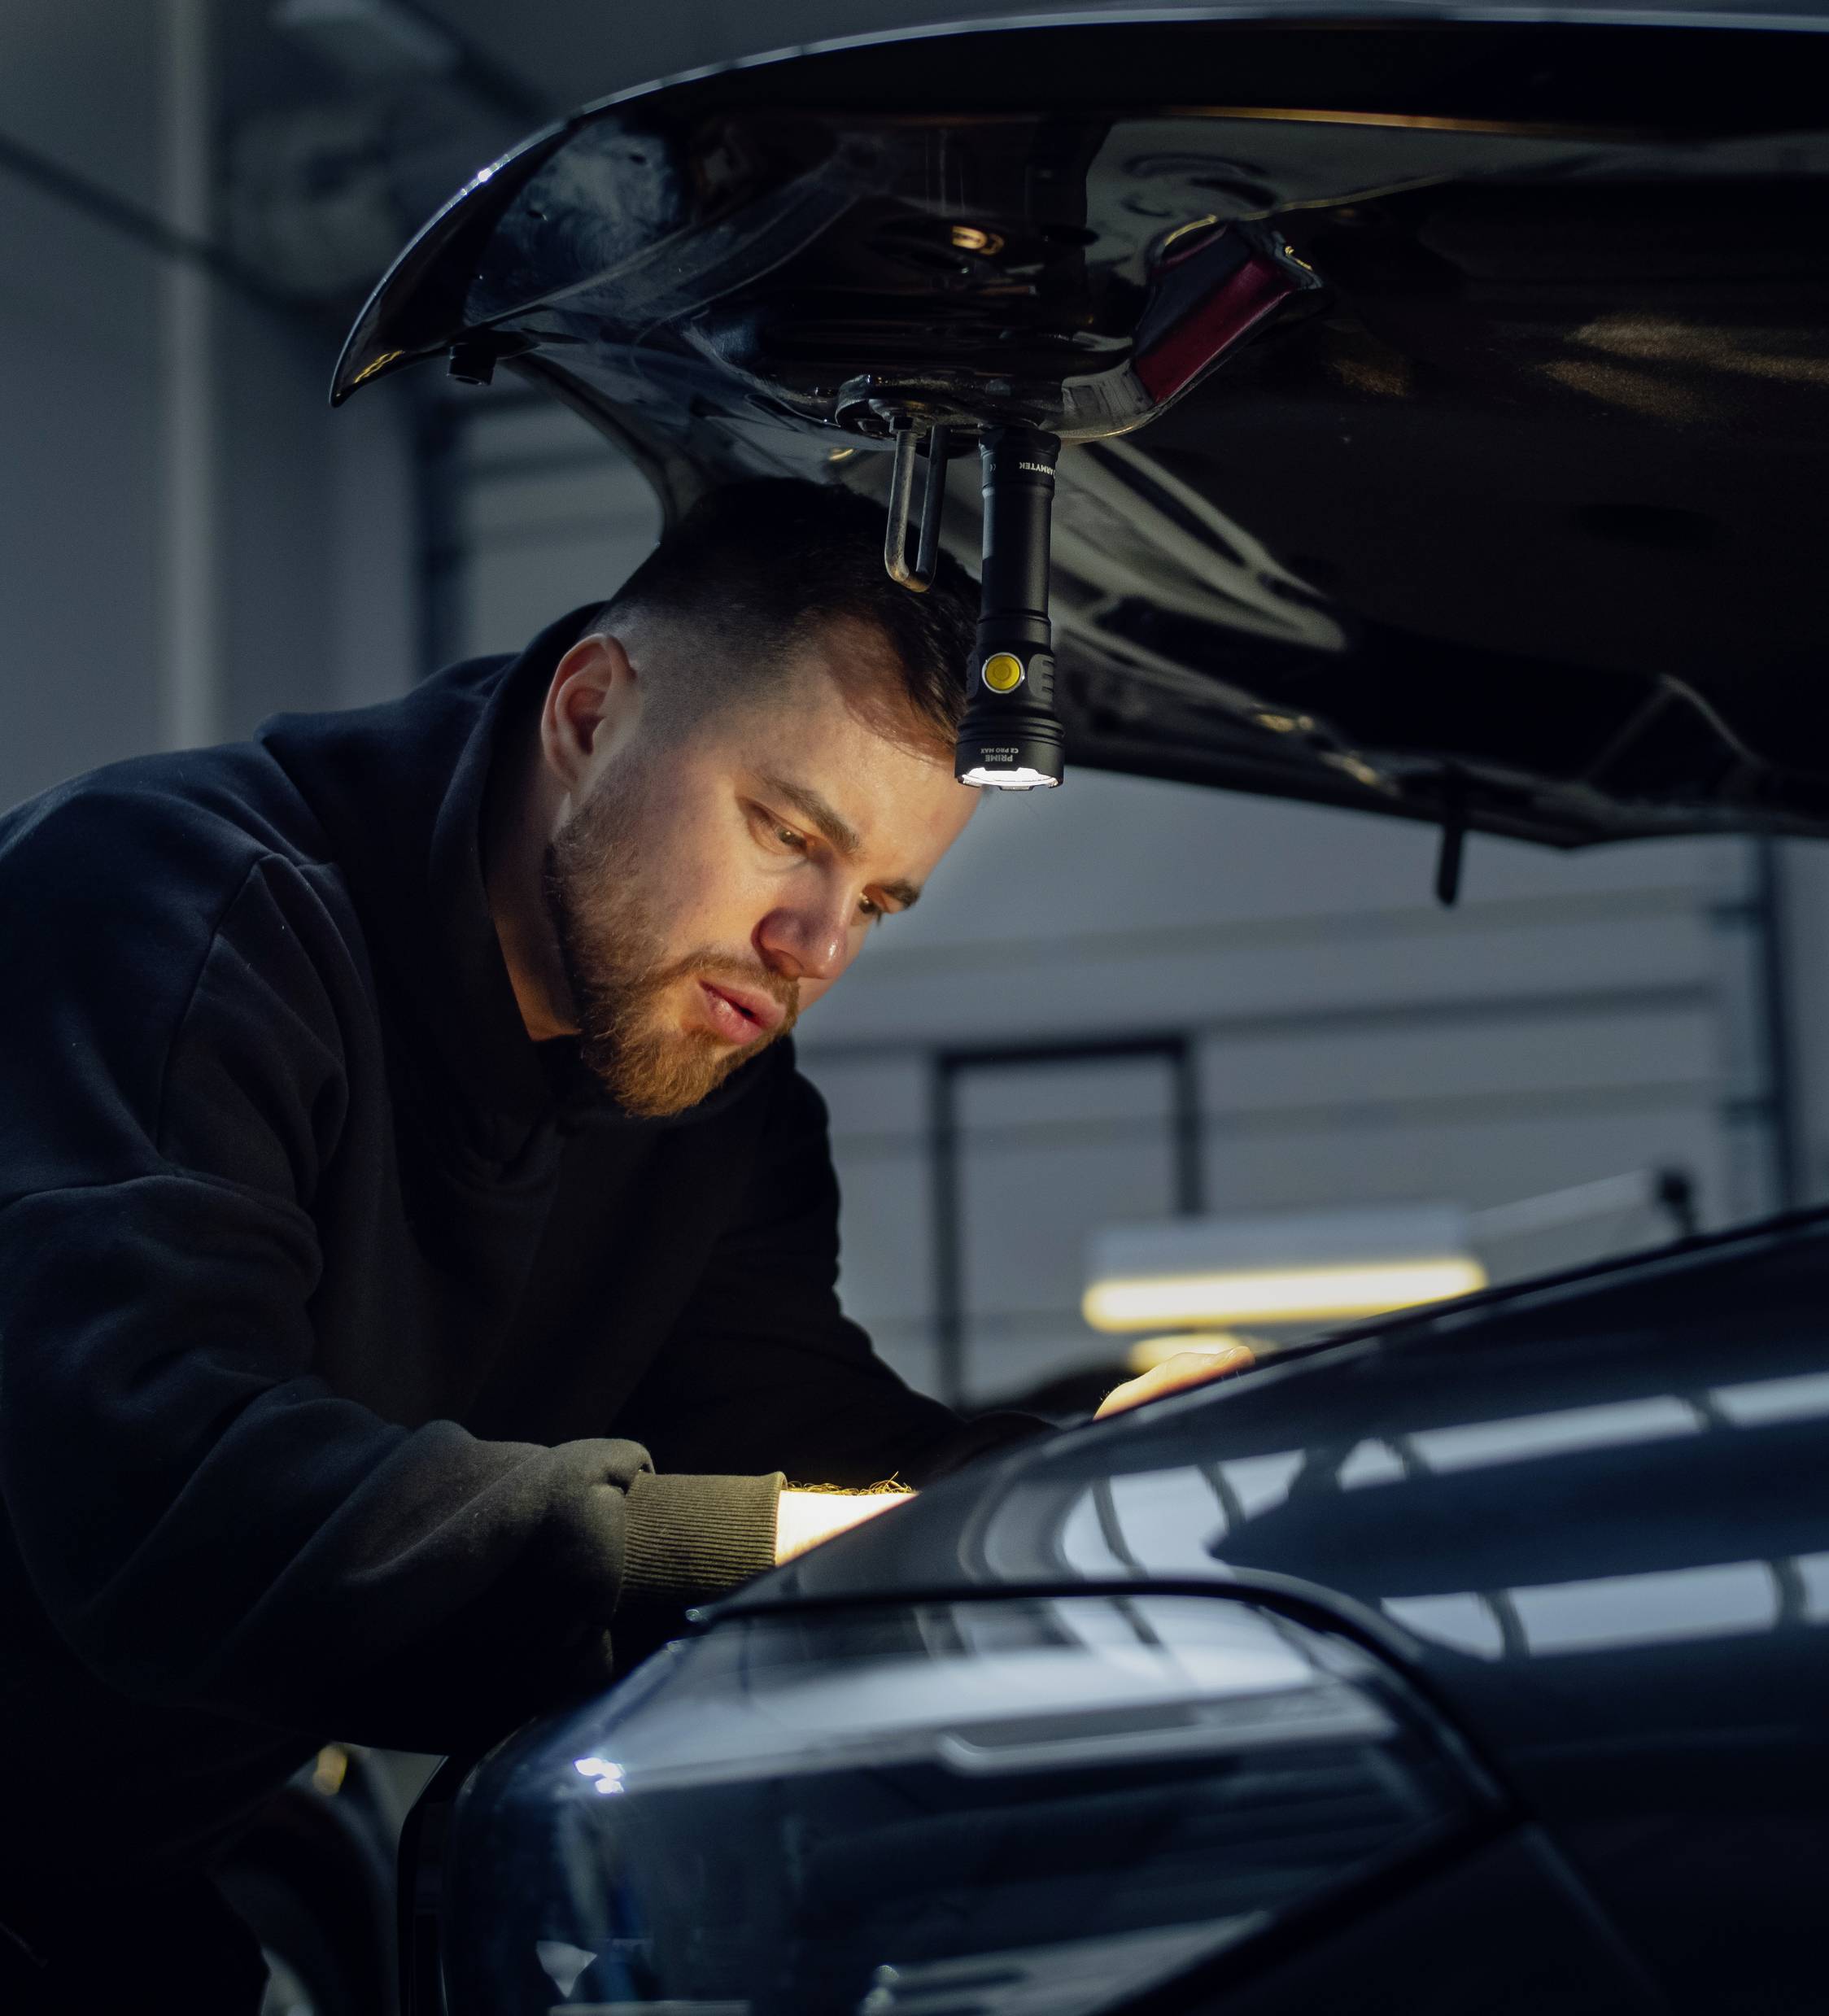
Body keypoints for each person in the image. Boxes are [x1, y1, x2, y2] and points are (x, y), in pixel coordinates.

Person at [0, 478, 1248, 2011]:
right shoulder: (168, 909)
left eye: (880, 901)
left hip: (113, 1892)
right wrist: (734, 1539)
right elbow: (173, 1501)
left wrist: (1086, 1482)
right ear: (589, 710)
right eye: (789, 831)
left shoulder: (713, 1101)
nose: (818, 946)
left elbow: (806, 1447)